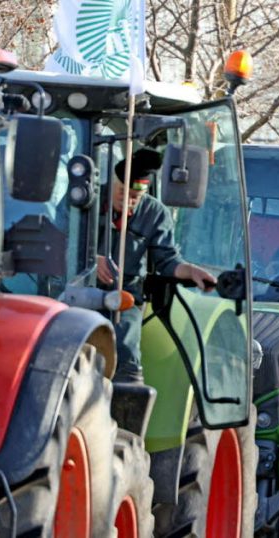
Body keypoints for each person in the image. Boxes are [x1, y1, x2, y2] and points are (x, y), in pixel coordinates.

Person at [97, 148, 217, 383]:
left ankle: (127, 396)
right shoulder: (86, 200)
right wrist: (93, 259)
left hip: (124, 294)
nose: (129, 201)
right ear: (113, 182)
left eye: (136, 197)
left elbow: (168, 260)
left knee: (125, 350)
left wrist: (191, 271)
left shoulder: (155, 214)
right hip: (79, 287)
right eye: (124, 193)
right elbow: (62, 240)